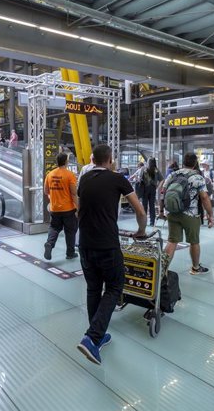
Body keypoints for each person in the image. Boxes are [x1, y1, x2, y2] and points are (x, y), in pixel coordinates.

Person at [76, 144, 146, 365]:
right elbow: (140, 210)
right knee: (115, 286)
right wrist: (141, 231)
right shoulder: (117, 179)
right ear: (110, 160)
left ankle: (96, 334)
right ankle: (92, 337)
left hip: (85, 243)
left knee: (93, 288)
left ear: (92, 159)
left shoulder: (83, 180)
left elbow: (81, 208)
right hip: (107, 244)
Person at [162, 152, 214, 275]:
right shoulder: (197, 177)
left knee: (172, 241)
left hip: (172, 211)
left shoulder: (173, 174)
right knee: (194, 241)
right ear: (195, 163)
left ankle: (162, 271)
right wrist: (210, 215)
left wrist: (161, 209)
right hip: (190, 214)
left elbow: (163, 191)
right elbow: (204, 198)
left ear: (183, 163)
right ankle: (195, 268)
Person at [43, 153, 79, 260]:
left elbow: (46, 191)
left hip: (55, 209)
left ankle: (49, 243)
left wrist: (53, 197)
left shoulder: (50, 174)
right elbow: (73, 193)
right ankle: (70, 253)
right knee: (70, 231)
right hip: (68, 209)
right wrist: (78, 207)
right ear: (66, 162)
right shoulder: (69, 175)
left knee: (54, 228)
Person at [140, 158, 163, 227]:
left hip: (145, 189)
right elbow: (162, 179)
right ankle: (152, 222)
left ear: (148, 162)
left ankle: (144, 221)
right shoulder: (156, 170)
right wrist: (158, 187)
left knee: (144, 206)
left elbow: (140, 179)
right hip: (153, 189)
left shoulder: (143, 169)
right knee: (152, 206)